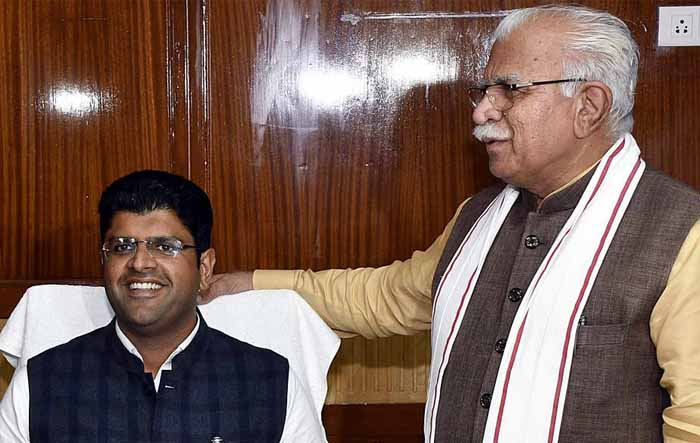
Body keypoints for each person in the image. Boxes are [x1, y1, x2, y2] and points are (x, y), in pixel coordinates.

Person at [201, 5, 700, 443]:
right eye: (485, 90)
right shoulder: (479, 216)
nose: (482, 112)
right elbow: (388, 297)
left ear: (588, 107)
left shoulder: (681, 233)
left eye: (509, 90)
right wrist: (249, 285)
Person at [0, 170, 324, 442]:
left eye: (166, 247)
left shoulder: (269, 383)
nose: (140, 262)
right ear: (104, 261)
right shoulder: (42, 382)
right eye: (122, 246)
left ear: (205, 268)